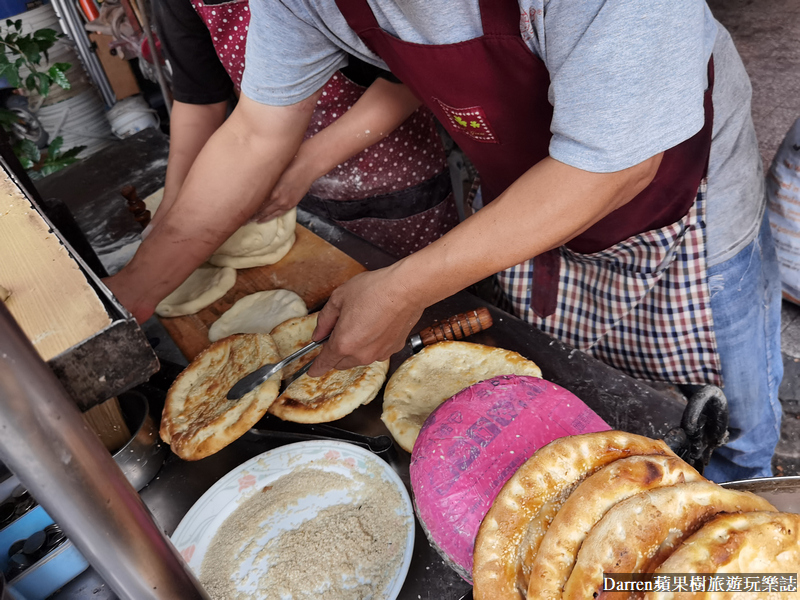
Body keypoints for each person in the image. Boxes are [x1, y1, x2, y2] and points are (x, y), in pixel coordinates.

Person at [107, 0, 782, 482]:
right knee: (596, 391)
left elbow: (612, 164)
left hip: (680, 203)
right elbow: (256, 133)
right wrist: (124, 303)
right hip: (530, 197)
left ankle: (744, 540)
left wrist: (405, 287)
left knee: (732, 420)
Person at [150, 0, 458, 258]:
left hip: (394, 176)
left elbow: (409, 77)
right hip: (284, 189)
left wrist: (304, 165)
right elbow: (199, 99)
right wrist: (174, 206)